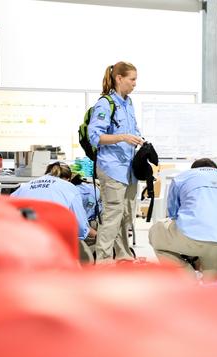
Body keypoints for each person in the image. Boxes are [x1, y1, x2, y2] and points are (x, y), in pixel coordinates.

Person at [148, 158, 217, 281]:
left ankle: (187, 276)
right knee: (211, 288)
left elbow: (174, 216)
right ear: (216, 170)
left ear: (193, 169)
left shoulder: (183, 177)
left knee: (156, 232)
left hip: (191, 238)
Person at [87, 62, 143, 263]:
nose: (135, 84)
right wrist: (123, 137)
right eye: (132, 79)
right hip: (112, 168)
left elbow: (133, 130)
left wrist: (139, 140)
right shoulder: (105, 103)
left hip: (129, 170)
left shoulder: (128, 103)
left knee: (126, 215)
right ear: (119, 78)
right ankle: (102, 261)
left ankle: (124, 257)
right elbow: (95, 136)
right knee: (112, 215)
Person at [11, 162, 96, 253]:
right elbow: (80, 226)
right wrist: (97, 235)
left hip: (21, 238)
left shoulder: (25, 186)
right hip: (52, 242)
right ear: (68, 179)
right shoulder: (69, 187)